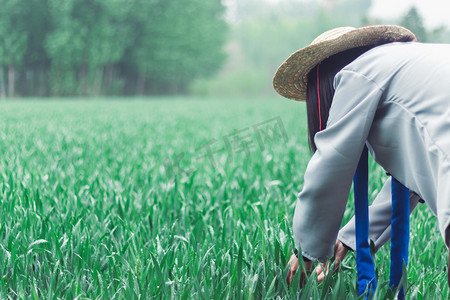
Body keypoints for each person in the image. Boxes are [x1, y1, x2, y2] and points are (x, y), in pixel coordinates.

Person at [272, 25, 450, 287]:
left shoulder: (358, 71)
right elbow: (413, 180)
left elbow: (332, 162)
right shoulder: (410, 65)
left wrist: (306, 251)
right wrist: (350, 238)